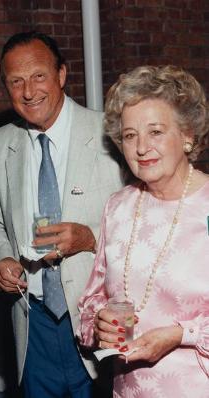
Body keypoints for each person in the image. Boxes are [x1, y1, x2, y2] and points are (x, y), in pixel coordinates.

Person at [0, 31, 123, 397]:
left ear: (61, 75)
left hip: (98, 319)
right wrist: (2, 259)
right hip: (33, 325)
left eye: (39, 76)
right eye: (16, 81)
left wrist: (91, 238)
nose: (29, 92)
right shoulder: (0, 144)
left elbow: (141, 225)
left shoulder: (111, 134)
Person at [78, 65, 209, 397]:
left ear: (188, 135)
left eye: (156, 132)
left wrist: (181, 335)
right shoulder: (119, 206)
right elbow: (93, 297)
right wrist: (99, 321)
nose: (140, 148)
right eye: (130, 135)